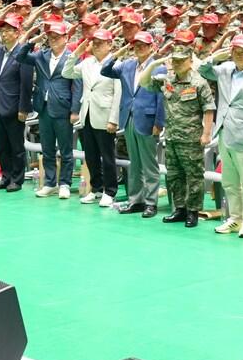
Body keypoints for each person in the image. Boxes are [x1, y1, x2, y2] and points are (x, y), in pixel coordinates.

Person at [200, 34, 243, 239]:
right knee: (229, 181)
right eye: (235, 51)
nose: (238, 55)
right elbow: (202, 70)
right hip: (224, 132)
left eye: (242, 51)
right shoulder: (225, 70)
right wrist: (215, 56)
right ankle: (235, 218)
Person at [141, 43, 215, 227]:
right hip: (172, 136)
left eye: (182, 60)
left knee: (194, 177)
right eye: (175, 60)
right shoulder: (167, 80)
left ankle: (193, 212)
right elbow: (143, 82)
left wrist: (206, 134)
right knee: (174, 176)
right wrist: (153, 63)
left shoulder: (199, 82)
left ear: (190, 61)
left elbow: (208, 109)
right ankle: (180, 209)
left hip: (191, 138)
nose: (178, 64)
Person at [101, 30, 166, 216]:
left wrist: (159, 122)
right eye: (136, 45)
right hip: (129, 117)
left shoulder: (158, 67)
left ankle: (151, 202)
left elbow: (161, 98)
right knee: (134, 163)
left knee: (149, 164)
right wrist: (118, 54)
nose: (139, 48)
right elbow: (105, 70)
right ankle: (135, 200)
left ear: (151, 47)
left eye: (143, 45)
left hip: (147, 118)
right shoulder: (127, 65)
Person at [64, 29, 121, 205]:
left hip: (105, 115)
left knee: (107, 155)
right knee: (91, 155)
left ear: (110, 44)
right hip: (87, 114)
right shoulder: (87, 62)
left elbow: (118, 94)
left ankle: (110, 191)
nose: (96, 46)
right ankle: (96, 188)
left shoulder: (117, 64)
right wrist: (76, 53)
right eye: (94, 43)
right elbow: (66, 73)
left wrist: (114, 119)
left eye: (100, 43)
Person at [0, 13, 34, 192]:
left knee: (16, 145)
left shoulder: (23, 53)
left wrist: (23, 107)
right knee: (2, 144)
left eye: (9, 30)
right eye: (2, 30)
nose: (4, 34)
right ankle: (6, 176)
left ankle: (17, 179)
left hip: (15, 106)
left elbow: (26, 84)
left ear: (17, 33)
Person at [30, 21, 81, 199]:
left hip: (62, 108)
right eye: (50, 36)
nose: (53, 39)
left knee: (66, 149)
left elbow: (78, 85)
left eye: (57, 36)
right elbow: (21, 56)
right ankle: (50, 183)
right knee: (47, 148)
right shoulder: (41, 55)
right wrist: (33, 40)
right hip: (43, 108)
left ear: (66, 38)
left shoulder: (72, 57)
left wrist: (75, 110)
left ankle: (65, 183)